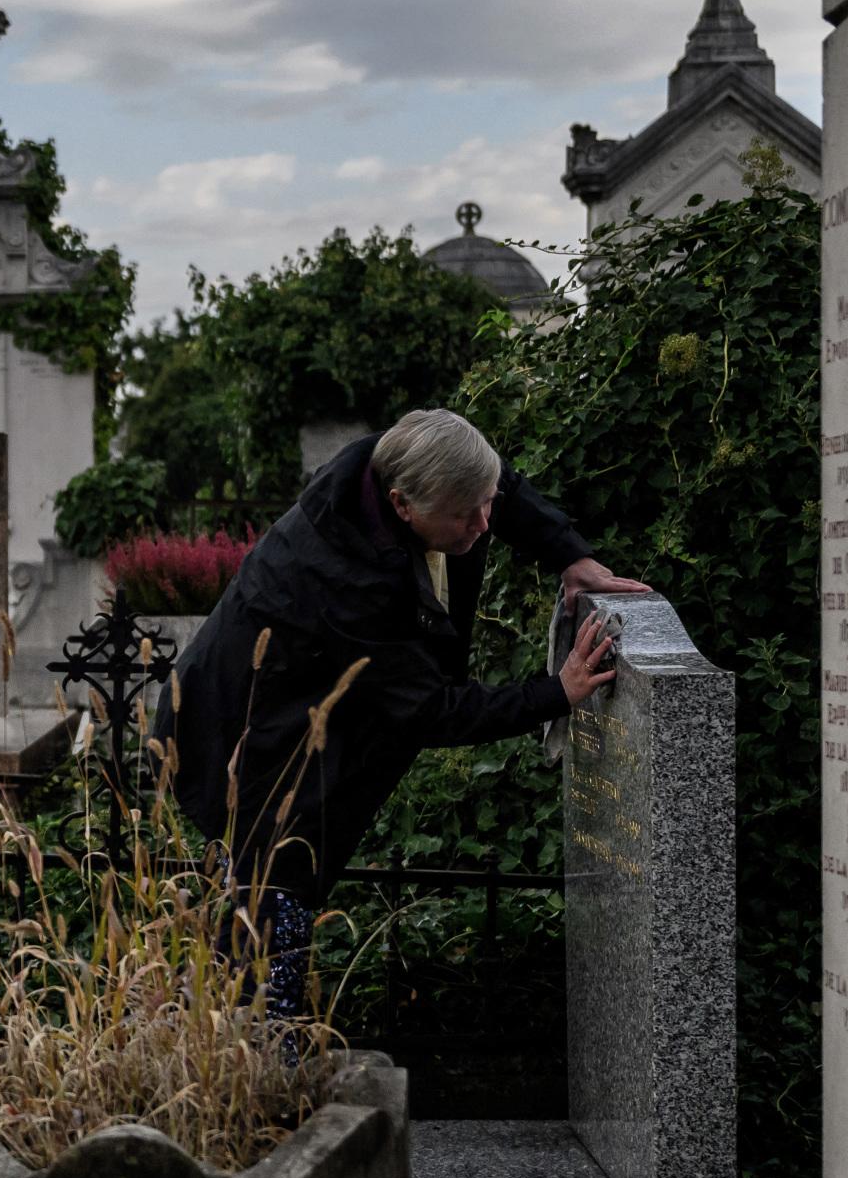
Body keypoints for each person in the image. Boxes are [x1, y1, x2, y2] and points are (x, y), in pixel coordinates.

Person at [160, 409, 646, 1009]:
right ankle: (253, 1058)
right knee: (270, 905)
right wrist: (557, 691)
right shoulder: (351, 580)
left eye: (485, 503)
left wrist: (570, 555)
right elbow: (426, 710)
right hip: (245, 744)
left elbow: (498, 486)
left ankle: (246, 1046)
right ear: (403, 505)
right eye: (466, 514)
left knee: (267, 909)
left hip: (293, 707)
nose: (484, 523)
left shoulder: (406, 462)